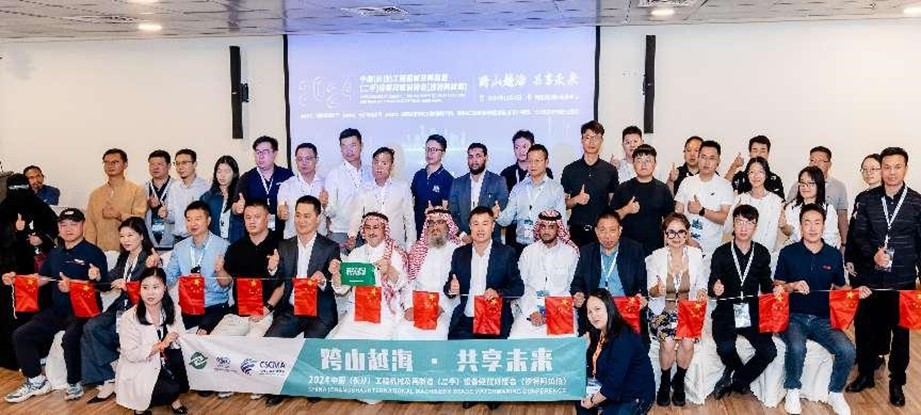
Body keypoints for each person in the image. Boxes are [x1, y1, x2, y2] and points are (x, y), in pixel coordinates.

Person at [2, 208, 108, 403]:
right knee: (21, 334)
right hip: (58, 310)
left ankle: (74, 382)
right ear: (58, 227)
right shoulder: (55, 253)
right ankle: (36, 381)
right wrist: (17, 279)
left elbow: (104, 286)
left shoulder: (94, 253)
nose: (68, 229)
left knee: (69, 338)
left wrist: (81, 282)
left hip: (84, 311)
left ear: (83, 225)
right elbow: (42, 278)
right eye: (63, 224)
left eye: (74, 224)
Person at [847, 147, 921, 407]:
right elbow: (858, 235)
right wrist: (872, 254)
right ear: (881, 169)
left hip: (902, 280)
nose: (891, 172)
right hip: (871, 278)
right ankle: (866, 374)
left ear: (905, 169)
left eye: (897, 167)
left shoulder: (916, 202)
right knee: (865, 328)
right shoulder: (867, 199)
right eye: (887, 167)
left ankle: (896, 382)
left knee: (901, 334)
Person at [775, 203, 864, 415]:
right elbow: (777, 285)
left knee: (848, 350)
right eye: (807, 223)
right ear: (801, 226)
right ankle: (792, 389)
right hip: (793, 317)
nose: (812, 228)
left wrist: (856, 291)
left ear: (824, 226)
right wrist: (792, 286)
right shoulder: (788, 252)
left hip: (823, 319)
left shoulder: (833, 255)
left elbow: (841, 287)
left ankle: (835, 392)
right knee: (797, 347)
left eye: (817, 223)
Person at [263, 195, 340, 407]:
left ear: (318, 218)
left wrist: (324, 278)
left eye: (307, 216)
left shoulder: (330, 247)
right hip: (292, 310)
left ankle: (311, 384)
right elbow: (277, 282)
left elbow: (335, 282)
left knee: (311, 344)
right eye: (298, 215)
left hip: (319, 310)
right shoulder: (284, 246)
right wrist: (272, 268)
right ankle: (282, 386)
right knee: (271, 340)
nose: (301, 220)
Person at [445, 206, 523, 410]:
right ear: (469, 227)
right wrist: (451, 288)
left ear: (493, 226)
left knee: (492, 353)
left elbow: (518, 287)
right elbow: (449, 286)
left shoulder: (506, 253)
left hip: (493, 317)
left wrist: (498, 292)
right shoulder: (459, 253)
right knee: (461, 349)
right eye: (476, 224)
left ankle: (492, 391)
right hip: (468, 315)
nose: (480, 229)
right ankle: (473, 390)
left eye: (485, 223)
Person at [81, 217, 155, 403]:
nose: (125, 240)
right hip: (121, 307)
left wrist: (129, 286)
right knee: (90, 327)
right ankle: (109, 377)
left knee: (96, 332)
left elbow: (152, 289)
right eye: (122, 236)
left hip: (140, 309)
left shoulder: (150, 259)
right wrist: (97, 277)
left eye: (130, 235)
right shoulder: (124, 257)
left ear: (142, 236)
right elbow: (108, 283)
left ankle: (112, 370)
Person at [708, 205, 779, 399]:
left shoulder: (762, 253)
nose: (743, 227)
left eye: (749, 223)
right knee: (725, 347)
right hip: (726, 311)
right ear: (733, 224)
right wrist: (715, 288)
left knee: (769, 351)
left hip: (752, 312)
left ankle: (736, 379)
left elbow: (766, 284)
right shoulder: (721, 253)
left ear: (755, 226)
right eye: (739, 222)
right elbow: (711, 285)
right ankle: (739, 378)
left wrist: (775, 289)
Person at [645, 213, 707, 407]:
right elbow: (650, 292)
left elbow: (702, 283)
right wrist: (658, 290)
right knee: (669, 342)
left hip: (688, 310)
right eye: (671, 232)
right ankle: (665, 382)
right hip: (662, 310)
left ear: (687, 234)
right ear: (665, 234)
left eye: (681, 232)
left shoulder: (696, 255)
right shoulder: (656, 256)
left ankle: (678, 381)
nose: (676, 237)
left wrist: (702, 292)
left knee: (687, 343)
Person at [0, 174, 59, 369]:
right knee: (14, 313)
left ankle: (41, 353)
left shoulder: (39, 206)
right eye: (14, 190)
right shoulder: (3, 210)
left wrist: (42, 237)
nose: (19, 194)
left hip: (37, 269)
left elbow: (54, 226)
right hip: (11, 271)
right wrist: (13, 230)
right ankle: (15, 357)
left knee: (39, 310)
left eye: (22, 189)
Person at [114, 267, 189, 415]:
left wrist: (176, 339)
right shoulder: (129, 317)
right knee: (167, 389)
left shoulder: (173, 309)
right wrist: (161, 344)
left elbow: (182, 337)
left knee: (183, 365)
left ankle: (174, 399)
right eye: (145, 287)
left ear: (164, 288)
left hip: (164, 361)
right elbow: (131, 354)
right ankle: (140, 406)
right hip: (141, 365)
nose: (150, 293)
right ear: (139, 289)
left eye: (156, 287)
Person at [570, 210, 649, 346]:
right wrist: (578, 294)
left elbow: (642, 283)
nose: (607, 236)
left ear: (620, 230)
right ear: (596, 231)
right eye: (603, 230)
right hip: (596, 312)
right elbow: (577, 282)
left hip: (625, 311)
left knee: (629, 348)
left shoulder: (634, 250)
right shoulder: (587, 252)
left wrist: (641, 296)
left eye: (612, 230)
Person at [210, 199, 282, 339]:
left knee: (251, 344)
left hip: (267, 313)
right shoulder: (236, 247)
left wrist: (266, 309)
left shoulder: (280, 245)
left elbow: (283, 285)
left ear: (267, 218)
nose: (252, 221)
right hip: (239, 313)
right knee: (214, 342)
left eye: (257, 217)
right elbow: (224, 282)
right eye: (248, 217)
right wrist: (219, 270)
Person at [329, 212, 407, 340]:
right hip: (358, 312)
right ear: (363, 231)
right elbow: (341, 288)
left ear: (384, 230)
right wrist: (336, 274)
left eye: (376, 227)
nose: (371, 232)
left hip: (385, 313)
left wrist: (389, 270)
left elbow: (401, 283)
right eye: (368, 228)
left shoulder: (394, 254)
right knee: (340, 340)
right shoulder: (355, 254)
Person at [577, 289, 655, 415]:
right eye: (589, 312)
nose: (593, 315)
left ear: (609, 308)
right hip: (611, 388)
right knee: (581, 402)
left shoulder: (623, 337)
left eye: (597, 309)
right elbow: (591, 369)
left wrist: (592, 400)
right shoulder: (596, 332)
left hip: (633, 395)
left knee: (590, 404)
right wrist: (584, 349)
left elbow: (614, 382)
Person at [508, 210, 579, 339]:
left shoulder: (570, 253)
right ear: (538, 228)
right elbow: (520, 286)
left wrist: (555, 309)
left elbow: (572, 287)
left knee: (568, 342)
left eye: (551, 227)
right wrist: (531, 311)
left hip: (560, 307)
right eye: (543, 226)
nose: (546, 231)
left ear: (558, 229)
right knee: (516, 338)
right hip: (531, 306)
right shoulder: (528, 252)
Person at [393, 207, 461, 340]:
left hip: (446, 308)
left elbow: (460, 289)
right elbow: (409, 283)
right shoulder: (417, 250)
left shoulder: (458, 250)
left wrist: (442, 307)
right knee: (402, 330)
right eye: (431, 223)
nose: (435, 227)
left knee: (438, 332)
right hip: (419, 306)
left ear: (448, 226)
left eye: (440, 222)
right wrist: (409, 307)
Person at [163, 201, 231, 334]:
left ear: (208, 220)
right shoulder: (180, 248)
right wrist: (157, 269)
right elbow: (169, 278)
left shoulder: (223, 246)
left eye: (198, 219)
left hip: (214, 306)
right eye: (189, 219)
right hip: (189, 307)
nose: (192, 223)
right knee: (189, 341)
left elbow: (226, 284)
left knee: (201, 337)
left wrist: (219, 271)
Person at [495, 144, 566, 254]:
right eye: (530, 161)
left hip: (545, 247)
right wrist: (497, 215)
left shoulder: (556, 189)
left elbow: (561, 223)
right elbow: (506, 220)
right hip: (520, 246)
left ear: (546, 162)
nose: (533, 165)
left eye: (537, 161)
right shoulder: (518, 188)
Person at [561, 121, 619, 247]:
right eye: (587, 137)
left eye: (595, 138)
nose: (591, 142)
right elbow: (562, 204)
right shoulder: (570, 169)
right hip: (577, 232)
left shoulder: (610, 170)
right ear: (582, 140)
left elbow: (613, 203)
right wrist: (576, 199)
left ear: (601, 141)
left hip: (602, 233)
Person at [611, 144, 675, 255]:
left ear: (655, 164)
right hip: (627, 249)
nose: (643, 164)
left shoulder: (663, 189)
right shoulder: (623, 188)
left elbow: (670, 221)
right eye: (639, 160)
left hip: (655, 250)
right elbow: (610, 219)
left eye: (648, 160)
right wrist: (626, 210)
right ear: (633, 164)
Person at [347, 147, 415, 250]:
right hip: (371, 246)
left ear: (392, 166)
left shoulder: (402, 187)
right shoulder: (364, 188)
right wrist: (352, 236)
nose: (379, 167)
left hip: (396, 246)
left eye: (384, 163)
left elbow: (409, 219)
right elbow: (356, 215)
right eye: (376, 162)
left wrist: (410, 246)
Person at [674, 140, 734, 257]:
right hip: (685, 247)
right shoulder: (687, 182)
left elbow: (726, 218)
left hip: (712, 251)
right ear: (698, 158)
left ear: (718, 161)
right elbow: (677, 215)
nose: (706, 162)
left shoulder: (725, 185)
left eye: (711, 158)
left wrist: (701, 211)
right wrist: (688, 239)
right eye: (703, 157)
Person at [85, 148, 147, 252]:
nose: (110, 166)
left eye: (115, 162)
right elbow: (90, 228)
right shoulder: (95, 194)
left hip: (128, 252)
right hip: (101, 251)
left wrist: (119, 215)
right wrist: (89, 251)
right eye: (106, 162)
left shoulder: (136, 190)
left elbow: (139, 220)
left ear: (125, 164)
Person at [500, 130, 554, 247]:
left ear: (532, 147)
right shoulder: (506, 173)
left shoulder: (545, 172)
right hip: (513, 229)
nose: (521, 151)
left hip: (538, 228)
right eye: (517, 147)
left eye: (525, 146)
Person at [786, 146, 849, 243]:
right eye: (812, 160)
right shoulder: (797, 186)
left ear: (829, 164)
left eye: (820, 160)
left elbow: (842, 216)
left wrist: (844, 243)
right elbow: (789, 218)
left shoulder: (838, 187)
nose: (815, 164)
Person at [448, 143, 508, 243]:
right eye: (471, 157)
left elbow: (503, 211)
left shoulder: (498, 181)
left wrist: (496, 214)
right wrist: (463, 235)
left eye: (478, 156)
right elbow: (451, 214)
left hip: (491, 240)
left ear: (486, 158)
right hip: (464, 241)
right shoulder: (457, 183)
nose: (474, 160)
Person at [237, 136, 294, 237]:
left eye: (265, 152)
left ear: (275, 153)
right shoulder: (247, 177)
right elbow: (235, 206)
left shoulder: (287, 175)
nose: (261, 156)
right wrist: (237, 207)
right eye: (258, 152)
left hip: (283, 233)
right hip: (255, 234)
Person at [325, 128, 372, 250]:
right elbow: (331, 211)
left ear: (361, 146)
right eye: (344, 146)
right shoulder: (334, 174)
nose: (348, 150)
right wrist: (324, 204)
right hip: (342, 233)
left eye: (353, 145)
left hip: (369, 232)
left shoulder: (371, 172)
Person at [725, 157, 784, 251]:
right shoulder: (740, 199)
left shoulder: (775, 200)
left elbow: (774, 233)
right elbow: (727, 229)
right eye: (752, 172)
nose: (756, 176)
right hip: (742, 252)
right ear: (747, 175)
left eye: (760, 172)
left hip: (766, 253)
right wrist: (734, 216)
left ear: (766, 174)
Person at [780, 166, 841, 248]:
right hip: (797, 249)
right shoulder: (792, 207)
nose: (805, 187)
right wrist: (784, 226)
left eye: (811, 183)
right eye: (802, 183)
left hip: (821, 251)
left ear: (819, 185)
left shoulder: (828, 209)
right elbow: (790, 233)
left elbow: (831, 238)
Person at [277, 143, 328, 239]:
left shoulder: (325, 184)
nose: (304, 163)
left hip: (320, 239)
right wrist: (282, 213)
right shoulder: (286, 185)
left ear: (316, 160)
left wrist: (325, 204)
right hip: (293, 239)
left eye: (308, 158)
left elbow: (332, 214)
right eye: (300, 159)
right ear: (296, 161)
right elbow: (280, 209)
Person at [159, 149, 209, 243]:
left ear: (195, 164)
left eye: (184, 163)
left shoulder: (205, 187)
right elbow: (173, 218)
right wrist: (166, 214)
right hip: (178, 239)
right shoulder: (174, 187)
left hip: (200, 238)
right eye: (177, 163)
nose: (180, 167)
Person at [844, 154, 882, 275]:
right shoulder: (861, 197)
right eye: (864, 169)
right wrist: (849, 256)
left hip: (879, 258)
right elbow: (853, 229)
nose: (868, 173)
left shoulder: (888, 197)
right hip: (859, 259)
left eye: (873, 169)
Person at [410, 134, 454, 239]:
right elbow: (411, 200)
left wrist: (434, 211)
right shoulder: (419, 175)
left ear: (443, 153)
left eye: (434, 150)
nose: (430, 153)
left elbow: (446, 210)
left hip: (437, 232)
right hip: (417, 229)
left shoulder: (448, 178)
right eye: (427, 149)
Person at [200, 156, 244, 244]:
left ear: (234, 174)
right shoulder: (207, 197)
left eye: (227, 171)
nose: (222, 175)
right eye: (219, 171)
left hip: (237, 244)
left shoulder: (241, 196)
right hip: (214, 245)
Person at [144, 150, 175, 250]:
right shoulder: (142, 189)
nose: (155, 167)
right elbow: (137, 216)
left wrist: (167, 214)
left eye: (160, 164)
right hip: (149, 246)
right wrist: (146, 205)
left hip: (173, 244)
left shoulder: (178, 188)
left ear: (169, 166)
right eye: (152, 164)